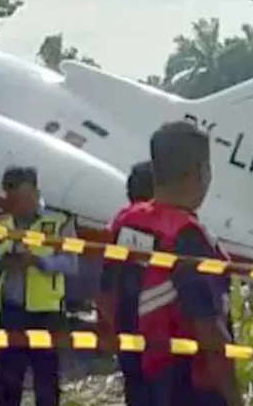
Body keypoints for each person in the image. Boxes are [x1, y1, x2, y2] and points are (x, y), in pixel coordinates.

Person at [97, 122, 242, 406]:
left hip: (139, 378)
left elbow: (106, 295)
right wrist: (235, 398)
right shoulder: (187, 237)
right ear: (200, 173)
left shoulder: (127, 223)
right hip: (188, 387)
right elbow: (209, 331)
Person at [0, 166, 76, 406]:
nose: (19, 204)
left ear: (36, 192)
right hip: (10, 310)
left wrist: (39, 262)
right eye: (13, 198)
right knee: (7, 380)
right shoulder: (1, 224)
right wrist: (3, 264)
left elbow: (71, 263)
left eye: (24, 197)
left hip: (47, 313)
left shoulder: (59, 221)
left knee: (46, 381)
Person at [95, 160, 154, 406]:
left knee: (136, 388)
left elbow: (107, 280)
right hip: (150, 321)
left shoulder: (121, 222)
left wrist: (109, 320)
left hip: (127, 319)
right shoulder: (150, 224)